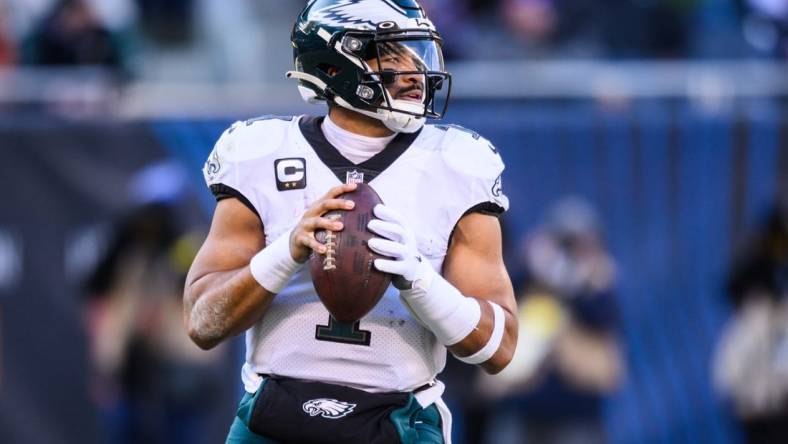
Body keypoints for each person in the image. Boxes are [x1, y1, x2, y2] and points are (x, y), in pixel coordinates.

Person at [182, 1, 518, 443]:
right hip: (274, 417)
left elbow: (499, 349)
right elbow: (203, 323)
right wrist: (285, 252)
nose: (417, 74)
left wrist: (418, 278)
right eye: (394, 55)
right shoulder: (260, 154)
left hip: (399, 418)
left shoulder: (456, 164)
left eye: (420, 55)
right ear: (336, 63)